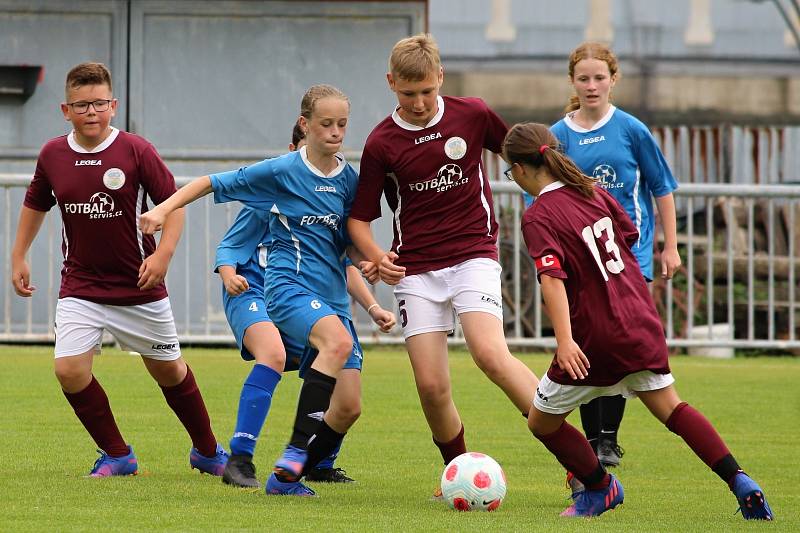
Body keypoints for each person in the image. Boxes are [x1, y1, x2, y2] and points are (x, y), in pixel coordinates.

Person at [503, 121, 773, 520]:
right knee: (673, 409)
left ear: (522, 169)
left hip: (596, 335)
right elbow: (627, 239)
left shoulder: (539, 214)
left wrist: (564, 340)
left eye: (511, 172)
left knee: (541, 422)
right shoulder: (593, 191)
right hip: (640, 322)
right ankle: (740, 481)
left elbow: (551, 278)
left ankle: (599, 488)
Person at [140, 84, 369, 497]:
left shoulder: (348, 180)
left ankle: (294, 475)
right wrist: (163, 209)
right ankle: (262, 456)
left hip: (329, 297)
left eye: (342, 124)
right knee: (301, 349)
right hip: (278, 290)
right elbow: (212, 187)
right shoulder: (279, 175)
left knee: (349, 405)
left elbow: (347, 243)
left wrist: (372, 266)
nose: (335, 132)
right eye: (326, 124)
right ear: (305, 126)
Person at [9, 62, 228, 477]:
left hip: (139, 286)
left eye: (98, 103)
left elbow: (174, 205)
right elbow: (36, 202)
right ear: (65, 109)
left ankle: (207, 450)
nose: (91, 112)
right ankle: (117, 454)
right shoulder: (53, 154)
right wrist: (18, 255)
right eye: (81, 105)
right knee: (68, 370)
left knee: (168, 370)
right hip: (81, 285)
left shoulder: (135, 150)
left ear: (113, 105)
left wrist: (162, 256)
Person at [346, 33, 540, 496]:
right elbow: (359, 221)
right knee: (431, 386)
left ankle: (578, 460)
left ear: (441, 79)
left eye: (427, 91)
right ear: (392, 83)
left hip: (474, 252)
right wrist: (378, 258)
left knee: (491, 355)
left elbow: (525, 159)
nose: (418, 102)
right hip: (416, 270)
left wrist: (557, 203)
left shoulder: (472, 114)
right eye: (407, 93)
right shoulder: (381, 143)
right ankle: (457, 474)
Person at [216, 122, 395, 488]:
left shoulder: (333, 193)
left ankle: (315, 462)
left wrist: (373, 306)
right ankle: (240, 458)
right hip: (255, 290)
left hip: (313, 296)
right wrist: (228, 274)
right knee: (274, 353)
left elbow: (342, 260)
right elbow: (229, 247)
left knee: (348, 399)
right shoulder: (273, 189)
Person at [546, 42, 682, 468]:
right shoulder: (559, 136)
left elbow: (661, 187)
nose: (591, 86)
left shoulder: (632, 129)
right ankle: (591, 440)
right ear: (572, 81)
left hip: (631, 256)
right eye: (583, 78)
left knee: (621, 344)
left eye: (599, 77)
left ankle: (608, 439)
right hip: (581, 260)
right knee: (589, 342)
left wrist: (670, 245)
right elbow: (548, 197)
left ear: (613, 80)